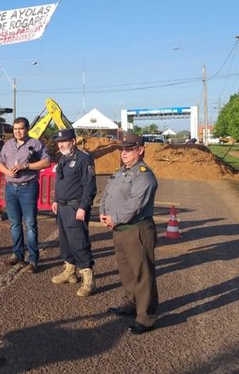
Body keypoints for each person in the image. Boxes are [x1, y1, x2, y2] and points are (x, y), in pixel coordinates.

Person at [99, 133, 159, 334]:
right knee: (126, 271)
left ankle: (146, 317)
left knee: (143, 274)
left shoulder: (144, 174)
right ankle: (130, 303)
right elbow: (106, 194)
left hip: (137, 230)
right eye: (122, 150)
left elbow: (136, 203)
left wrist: (114, 217)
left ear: (140, 150)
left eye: (129, 149)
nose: (124, 153)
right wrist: (103, 213)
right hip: (119, 230)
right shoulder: (120, 172)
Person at [0, 117, 50, 273]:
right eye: (15, 129)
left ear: (27, 129)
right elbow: (0, 162)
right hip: (10, 188)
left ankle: (33, 259)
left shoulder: (36, 144)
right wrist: (7, 172)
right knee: (14, 223)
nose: (17, 131)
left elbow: (46, 162)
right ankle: (17, 254)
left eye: (20, 128)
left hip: (28, 188)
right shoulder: (8, 145)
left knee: (31, 224)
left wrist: (25, 165)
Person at [50, 128, 98, 297]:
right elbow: (61, 181)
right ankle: (70, 272)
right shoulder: (63, 158)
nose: (61, 144)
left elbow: (90, 186)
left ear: (73, 141)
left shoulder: (84, 159)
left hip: (75, 207)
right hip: (62, 207)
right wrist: (56, 200)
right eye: (59, 142)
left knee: (79, 241)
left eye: (64, 141)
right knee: (64, 241)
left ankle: (88, 279)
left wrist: (83, 207)